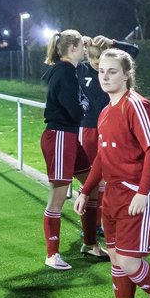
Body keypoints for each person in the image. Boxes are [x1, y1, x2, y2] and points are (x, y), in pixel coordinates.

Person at [73, 48, 150, 298]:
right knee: (117, 260)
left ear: (127, 74)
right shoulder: (105, 112)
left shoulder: (136, 105)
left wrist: (143, 192)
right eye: (101, 71)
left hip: (137, 193)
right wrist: (85, 190)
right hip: (113, 193)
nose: (105, 76)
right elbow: (102, 160)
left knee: (130, 261)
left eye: (112, 71)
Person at [74, 34, 140, 260]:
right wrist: (76, 42)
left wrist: (113, 43)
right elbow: (60, 59)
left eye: (100, 59)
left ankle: (100, 224)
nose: (96, 64)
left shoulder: (115, 73)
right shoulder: (80, 69)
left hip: (113, 126)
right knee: (93, 180)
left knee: (106, 180)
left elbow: (134, 52)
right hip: (89, 128)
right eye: (92, 58)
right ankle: (90, 230)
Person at [39, 29, 88, 270]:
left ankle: (90, 241)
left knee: (92, 184)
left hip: (69, 137)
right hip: (59, 137)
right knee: (57, 199)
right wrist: (84, 106)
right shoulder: (65, 72)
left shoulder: (68, 70)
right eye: (82, 46)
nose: (85, 50)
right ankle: (52, 254)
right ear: (73, 48)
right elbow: (74, 109)